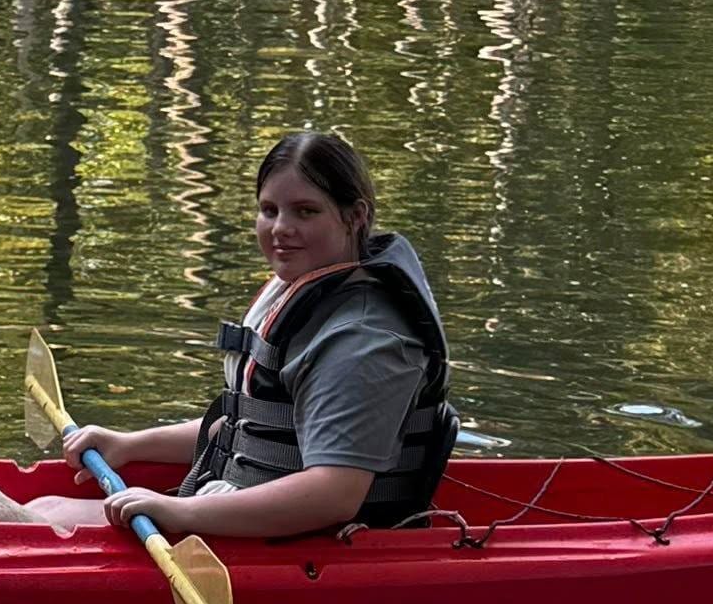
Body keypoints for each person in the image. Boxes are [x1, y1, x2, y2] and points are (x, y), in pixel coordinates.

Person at [30, 131, 458, 539]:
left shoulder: (364, 339)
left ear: (356, 216)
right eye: (269, 210)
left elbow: (335, 494)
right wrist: (130, 444)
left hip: (312, 543)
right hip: (243, 512)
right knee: (46, 508)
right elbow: (254, 427)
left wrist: (179, 512)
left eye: (305, 211)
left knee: (43, 520)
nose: (280, 229)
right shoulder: (307, 291)